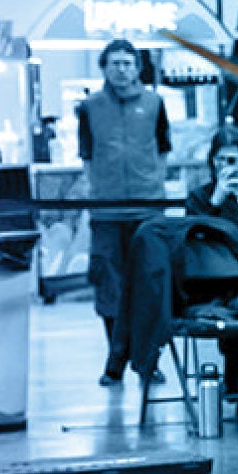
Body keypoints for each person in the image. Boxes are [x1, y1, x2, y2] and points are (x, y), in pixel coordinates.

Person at [121, 127, 238, 393]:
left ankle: (235, 385)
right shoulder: (199, 199)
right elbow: (189, 242)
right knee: (237, 307)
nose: (226, 167)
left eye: (233, 160)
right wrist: (215, 203)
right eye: (219, 160)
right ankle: (231, 377)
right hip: (202, 282)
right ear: (211, 162)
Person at [78, 39, 172, 386]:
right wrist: (98, 191)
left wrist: (154, 186)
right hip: (106, 211)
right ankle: (115, 358)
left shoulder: (155, 103)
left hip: (148, 209)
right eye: (114, 62)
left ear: (138, 67)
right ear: (103, 67)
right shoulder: (89, 107)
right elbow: (86, 155)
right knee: (109, 286)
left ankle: (149, 360)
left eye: (128, 62)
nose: (122, 69)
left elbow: (163, 149)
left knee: (150, 285)